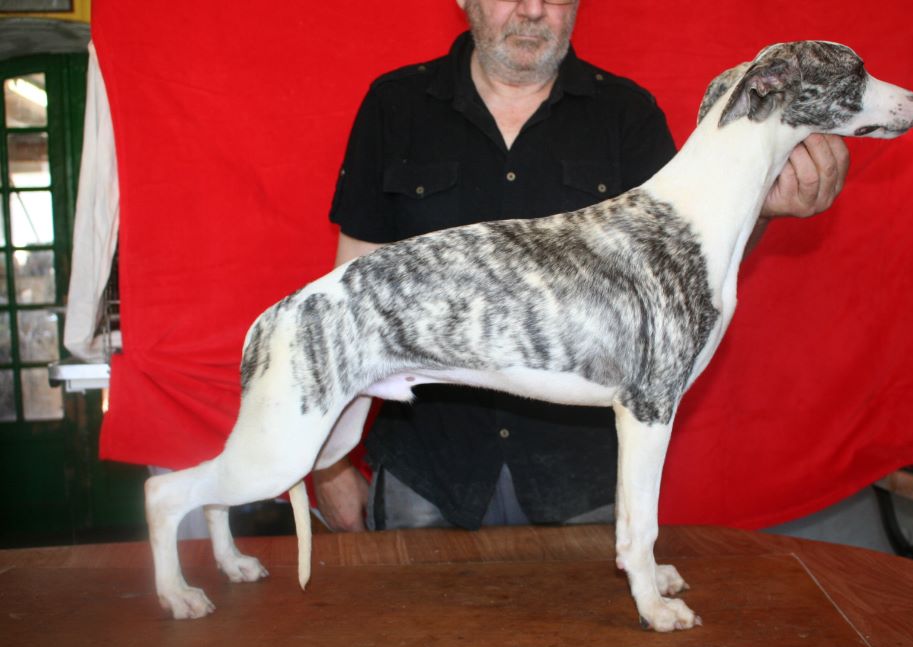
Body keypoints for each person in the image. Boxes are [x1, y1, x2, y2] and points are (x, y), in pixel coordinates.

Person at [314, 0, 850, 532]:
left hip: (580, 487)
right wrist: (329, 466)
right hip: (427, 473)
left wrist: (760, 208)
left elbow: (683, 281)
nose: (532, 10)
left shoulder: (626, 114)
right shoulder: (396, 105)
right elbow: (350, 300)